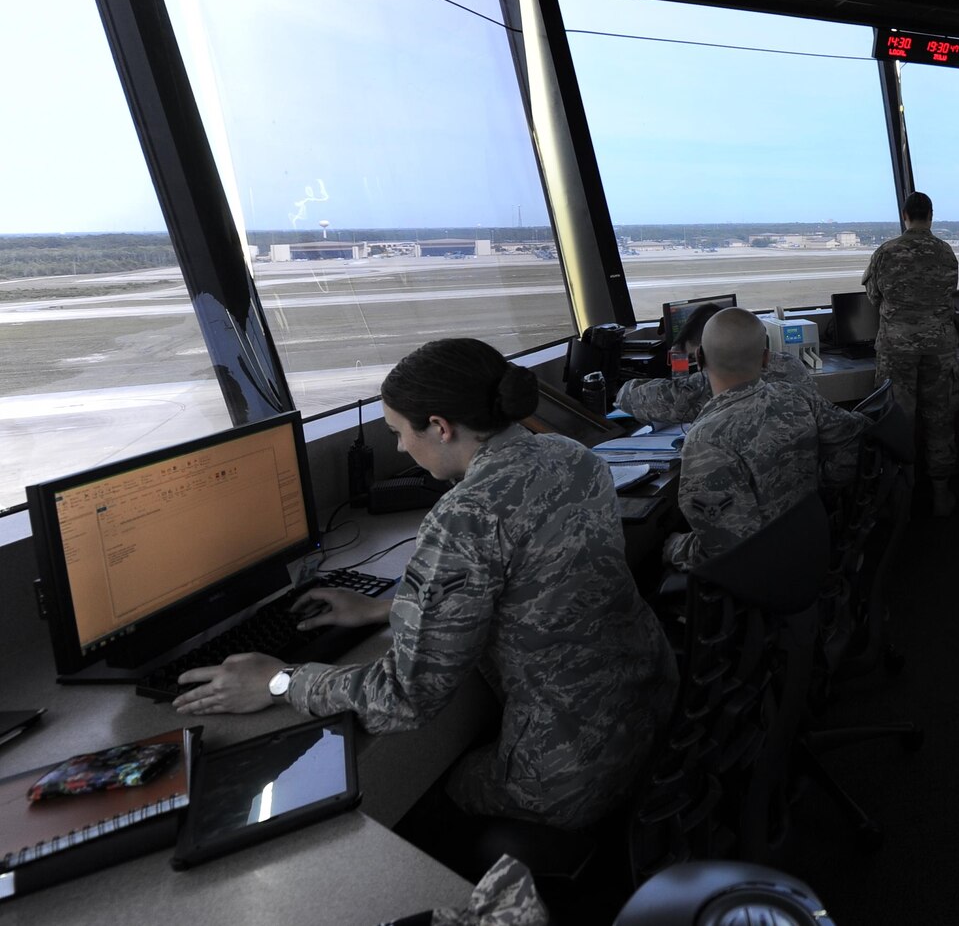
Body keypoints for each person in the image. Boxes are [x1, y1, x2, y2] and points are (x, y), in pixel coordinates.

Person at [172, 338, 675, 838]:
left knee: (433, 792)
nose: (397, 447)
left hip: (575, 766)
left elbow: (405, 698)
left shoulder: (464, 518)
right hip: (653, 703)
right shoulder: (570, 456)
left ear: (440, 426)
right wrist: (384, 610)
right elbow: (534, 585)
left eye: (397, 432)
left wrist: (279, 681)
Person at [670, 307, 868, 569]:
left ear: (699, 357)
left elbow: (727, 549)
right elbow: (858, 436)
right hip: (815, 547)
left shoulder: (704, 441)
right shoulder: (798, 397)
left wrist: (676, 548)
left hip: (766, 578)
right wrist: (823, 485)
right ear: (765, 358)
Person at [862, 190, 959, 515]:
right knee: (940, 420)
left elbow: (875, 298)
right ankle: (942, 495)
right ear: (930, 216)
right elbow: (949, 295)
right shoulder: (946, 253)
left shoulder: (886, 252)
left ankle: (900, 502)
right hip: (939, 348)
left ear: (905, 216)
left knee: (897, 423)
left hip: (897, 350)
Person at [617, 301, 812, 428]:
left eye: (694, 358)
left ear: (700, 356)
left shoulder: (706, 383)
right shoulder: (792, 364)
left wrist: (680, 358)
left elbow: (627, 397)